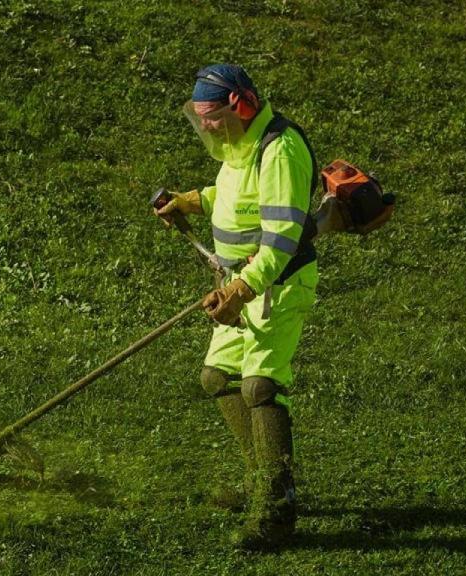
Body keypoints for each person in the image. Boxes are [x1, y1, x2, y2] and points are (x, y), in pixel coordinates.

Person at [155, 63, 319, 551]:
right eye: (199, 117)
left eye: (210, 116)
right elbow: (233, 196)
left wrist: (241, 291)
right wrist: (192, 201)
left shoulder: (281, 149)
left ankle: (276, 508)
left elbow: (282, 239)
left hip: (277, 285)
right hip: (239, 283)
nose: (205, 126)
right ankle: (259, 482)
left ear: (240, 106)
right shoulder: (238, 144)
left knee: (261, 384)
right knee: (218, 378)